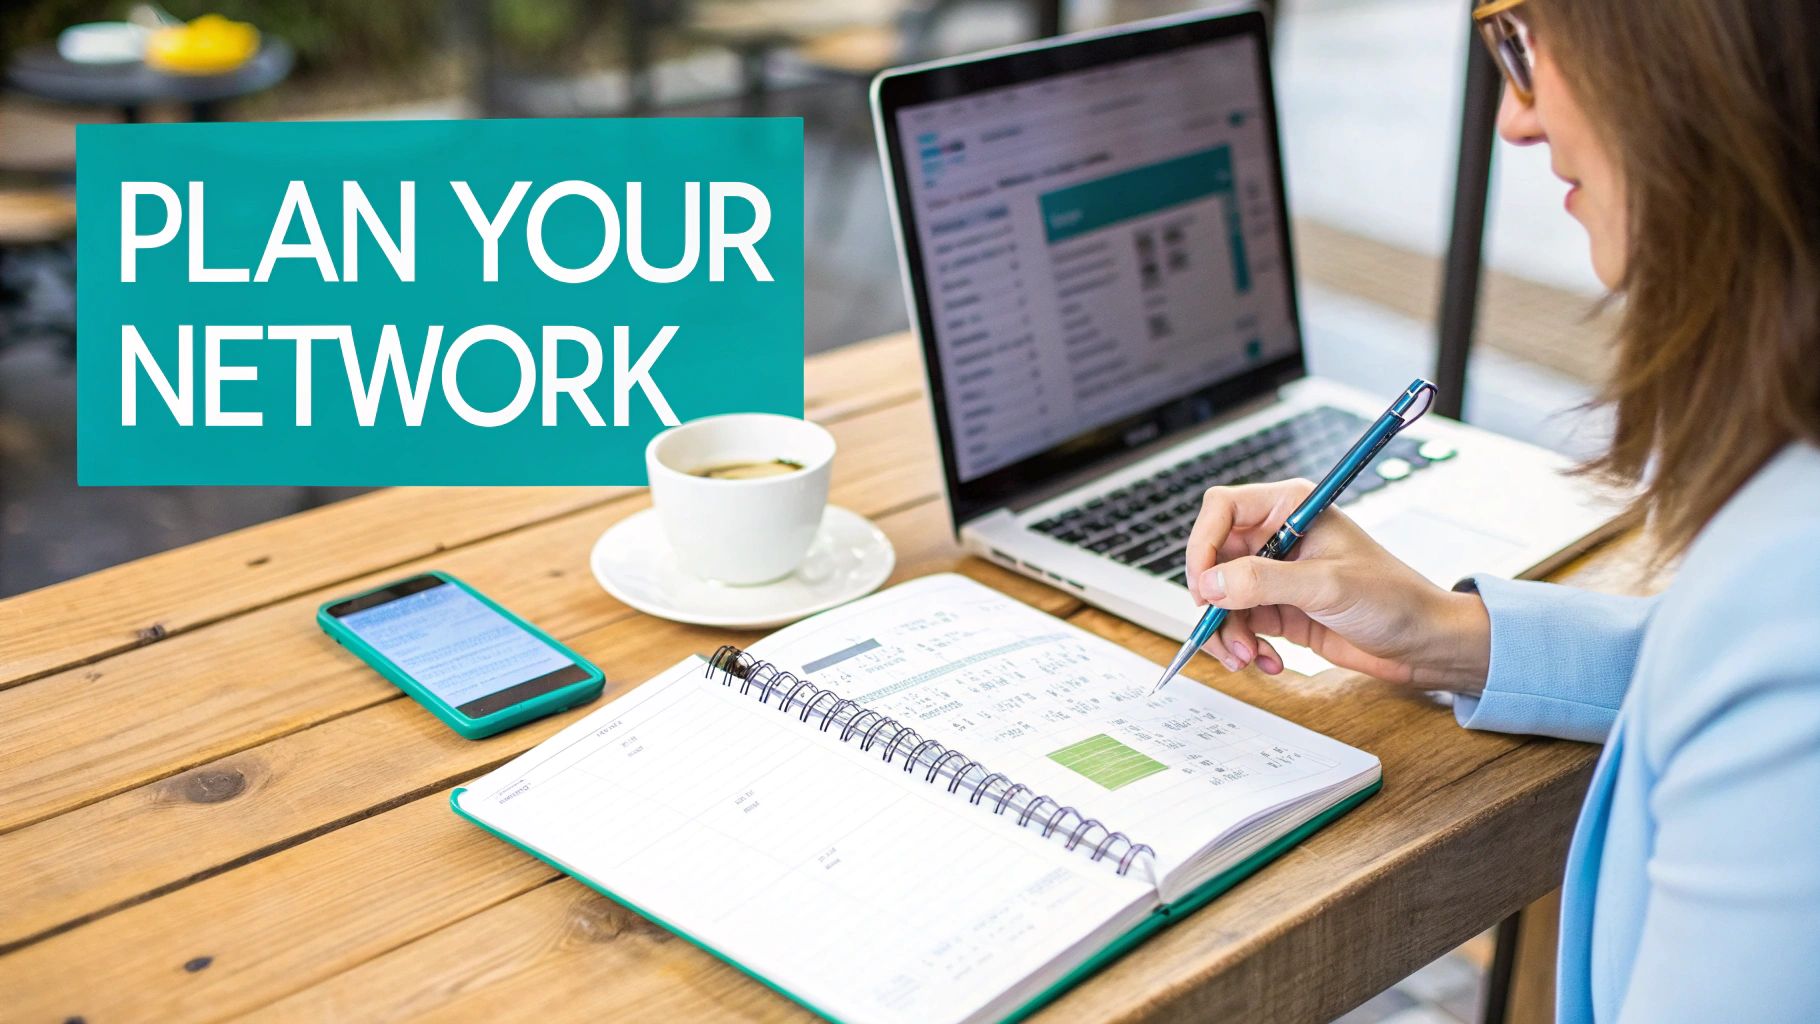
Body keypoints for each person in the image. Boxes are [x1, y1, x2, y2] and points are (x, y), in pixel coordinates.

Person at [1183, 0, 1820, 1020]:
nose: (1511, 122)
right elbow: (1711, 681)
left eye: (1521, 38)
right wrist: (1443, 634)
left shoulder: (1789, 595)